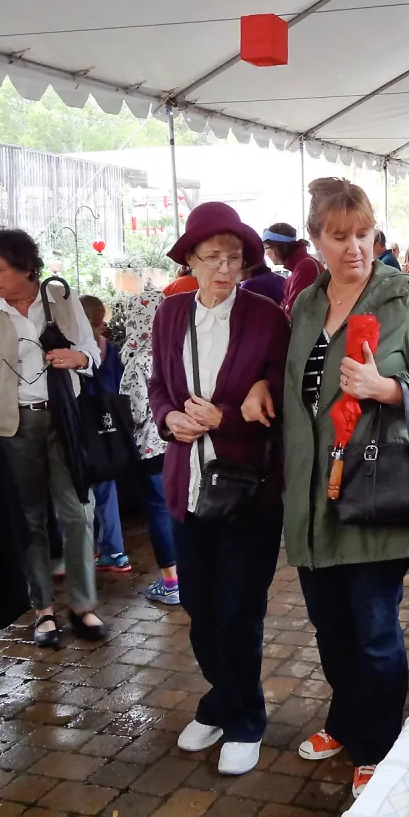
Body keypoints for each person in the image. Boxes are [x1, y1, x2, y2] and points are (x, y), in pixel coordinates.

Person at [278, 177, 409, 799]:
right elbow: (295, 386)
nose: (355, 247)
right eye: (339, 236)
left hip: (373, 490)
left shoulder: (403, 297)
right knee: (330, 628)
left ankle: (379, 741)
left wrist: (388, 389)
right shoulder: (305, 303)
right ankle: (345, 719)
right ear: (316, 240)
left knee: (375, 629)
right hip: (311, 493)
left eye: (364, 234)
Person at [149, 202, 289, 777]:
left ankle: (246, 717)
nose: (224, 269)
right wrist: (167, 420)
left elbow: (280, 399)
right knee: (199, 607)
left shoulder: (265, 317)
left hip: (246, 489)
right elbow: (158, 384)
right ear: (190, 260)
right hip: (187, 485)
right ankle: (221, 697)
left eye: (234, 258)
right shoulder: (170, 314)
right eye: (212, 258)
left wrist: (224, 418)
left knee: (239, 609)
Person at [0, 227, 104, 647]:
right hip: (8, 425)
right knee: (29, 519)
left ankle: (83, 605)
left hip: (62, 420)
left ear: (25, 266)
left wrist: (79, 358)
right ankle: (43, 611)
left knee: (78, 512)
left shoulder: (60, 298)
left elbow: (91, 352)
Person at [114, 289, 181, 606]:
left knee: (159, 514)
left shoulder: (138, 362)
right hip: (181, 445)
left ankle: (172, 583)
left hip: (151, 453)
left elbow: (136, 413)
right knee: (182, 512)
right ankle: (192, 575)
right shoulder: (179, 353)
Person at [78, 294, 131, 573]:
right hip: (109, 428)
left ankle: (78, 555)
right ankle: (114, 550)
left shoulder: (75, 353)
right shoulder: (114, 351)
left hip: (82, 426)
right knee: (107, 490)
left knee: (78, 493)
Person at [262, 222, 324, 317]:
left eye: (266, 248)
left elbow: (293, 314)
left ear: (277, 248)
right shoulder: (300, 267)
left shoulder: (305, 267)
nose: (266, 254)